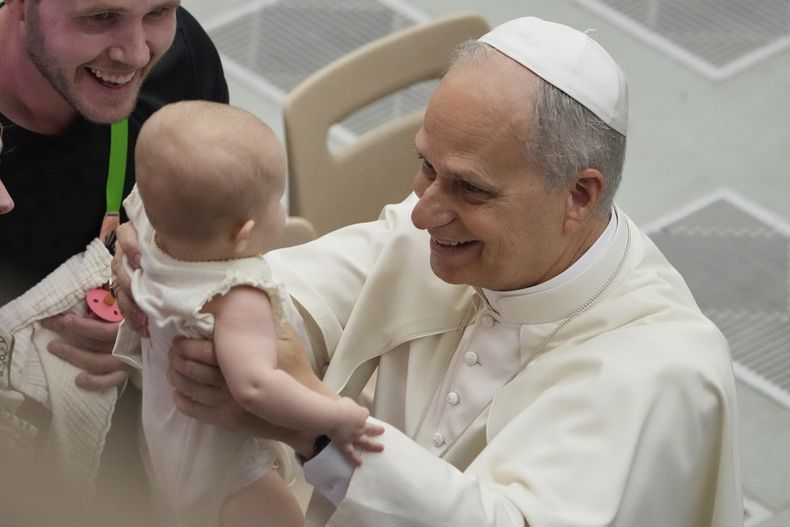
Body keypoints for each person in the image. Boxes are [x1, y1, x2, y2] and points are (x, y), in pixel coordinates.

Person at [116, 16, 743, 527]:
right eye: (426, 167)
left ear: (579, 195)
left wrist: (318, 434)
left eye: (469, 188)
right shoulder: (437, 232)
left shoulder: (662, 373)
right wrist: (184, 274)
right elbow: (293, 290)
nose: (421, 213)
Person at [0, 0, 228, 524]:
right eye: (100, 17)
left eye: (159, 11)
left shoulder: (180, 70)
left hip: (128, 434)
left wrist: (157, 327)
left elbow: (221, 255)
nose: (136, 53)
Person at [113, 100, 383, 527]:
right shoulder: (237, 296)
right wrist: (334, 417)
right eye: (277, 201)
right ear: (243, 234)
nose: (282, 210)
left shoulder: (150, 230)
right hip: (226, 467)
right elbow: (255, 387)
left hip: (165, 425)